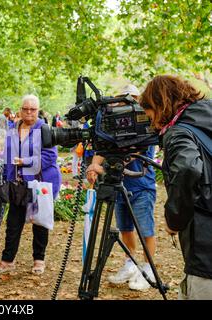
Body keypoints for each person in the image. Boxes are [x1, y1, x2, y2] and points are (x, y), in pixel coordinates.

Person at [139, 75, 212, 299]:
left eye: (150, 114)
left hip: (205, 242)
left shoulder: (178, 132)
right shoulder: (205, 113)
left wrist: (174, 218)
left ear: (161, 104)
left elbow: (188, 168)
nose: (151, 123)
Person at [86, 84, 158, 291]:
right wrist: (94, 164)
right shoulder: (115, 124)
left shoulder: (145, 124)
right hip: (119, 186)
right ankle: (130, 264)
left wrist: (102, 168)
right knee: (125, 228)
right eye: (122, 99)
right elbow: (106, 146)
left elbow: (127, 154)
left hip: (141, 187)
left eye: (131, 98)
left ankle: (148, 269)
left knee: (146, 230)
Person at [0, 94, 62, 274]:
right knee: (13, 223)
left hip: (39, 183)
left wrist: (25, 161)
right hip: (17, 185)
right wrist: (5, 175)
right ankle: (8, 260)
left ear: (37, 110)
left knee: (39, 223)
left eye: (33, 109)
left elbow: (50, 157)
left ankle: (39, 259)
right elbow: (7, 156)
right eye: (25, 109)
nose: (29, 112)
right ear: (20, 110)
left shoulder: (45, 129)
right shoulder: (12, 128)